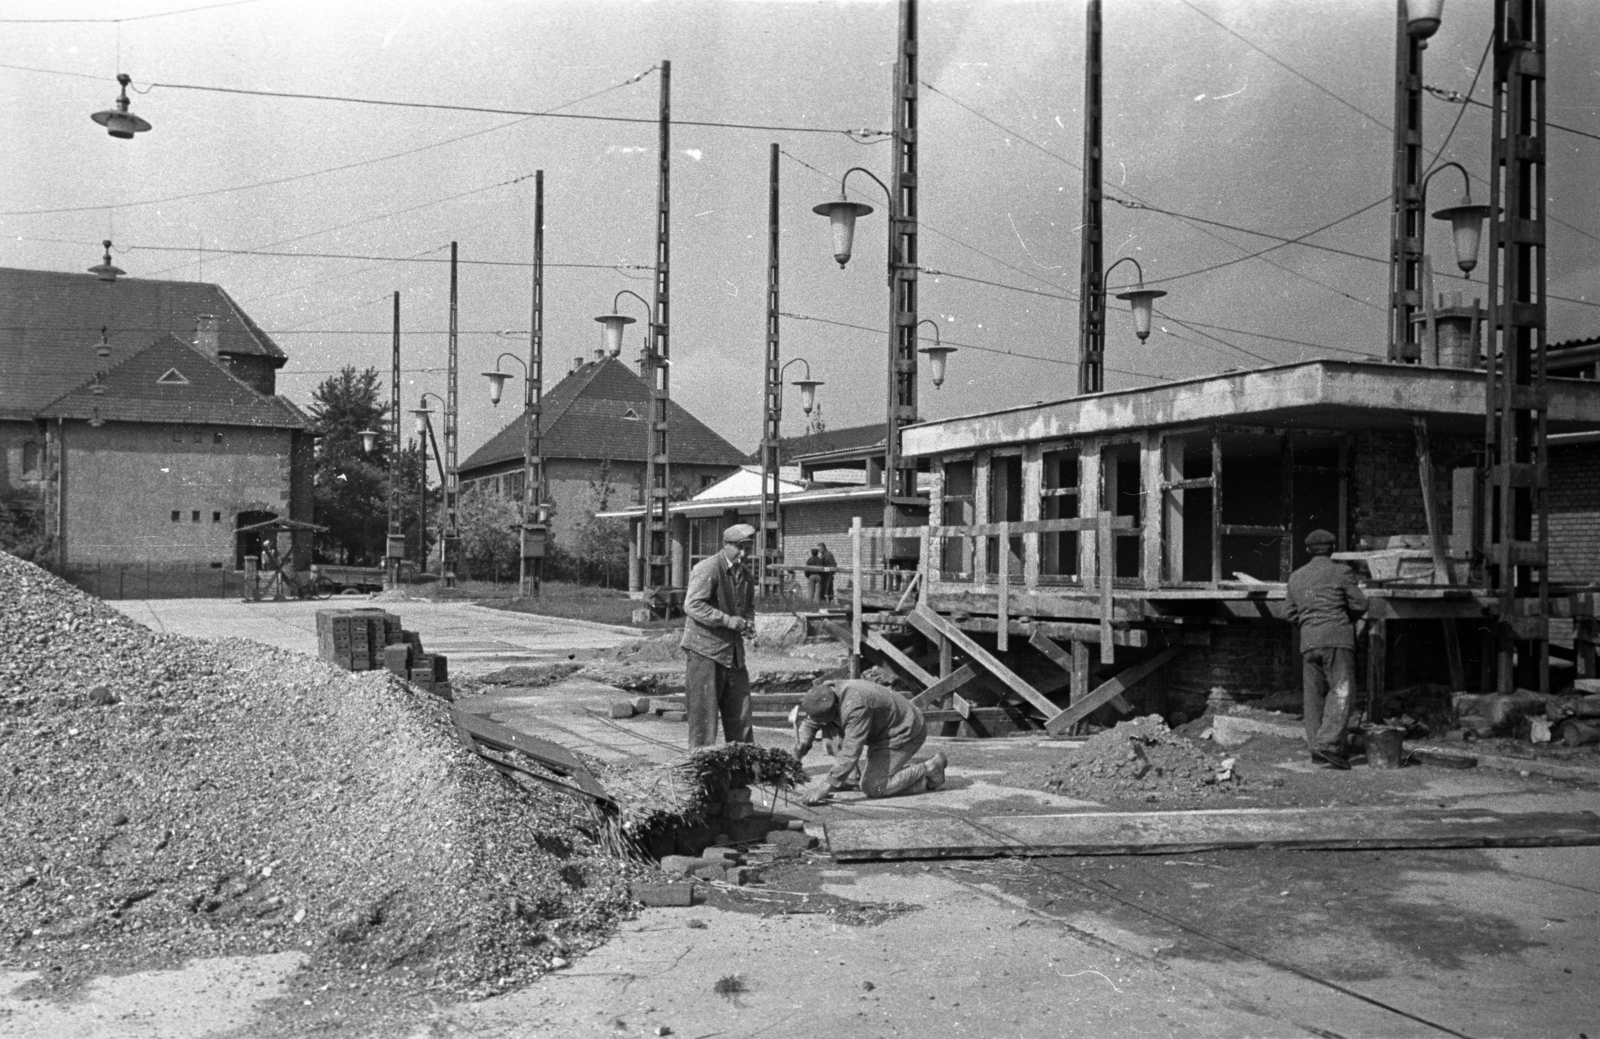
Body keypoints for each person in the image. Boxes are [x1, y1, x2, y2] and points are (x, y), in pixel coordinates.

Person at [1285, 528, 1369, 769]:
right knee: (1341, 691)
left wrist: (1309, 624)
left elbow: (1288, 613)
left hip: (1309, 642)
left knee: (1313, 697)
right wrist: (1347, 619)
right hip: (1337, 639)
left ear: (1308, 550)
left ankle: (1317, 749)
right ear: (1333, 549)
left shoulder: (1297, 576)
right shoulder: (1342, 571)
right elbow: (1361, 604)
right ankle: (1329, 744)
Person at [793, 679, 947, 804]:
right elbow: (811, 722)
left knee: (874, 787)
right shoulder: (826, 693)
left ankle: (929, 768)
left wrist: (824, 787)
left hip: (904, 730)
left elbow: (851, 751)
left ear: (833, 707)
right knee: (830, 730)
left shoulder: (855, 707)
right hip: (881, 726)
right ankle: (851, 778)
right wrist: (804, 742)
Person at [679, 523, 758, 748]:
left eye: (748, 548)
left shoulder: (746, 575)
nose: (744, 554)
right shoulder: (708, 568)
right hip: (705, 652)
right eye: (739, 548)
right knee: (704, 720)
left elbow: (749, 605)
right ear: (726, 545)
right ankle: (703, 773)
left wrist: (749, 622)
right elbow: (693, 605)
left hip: (733, 654)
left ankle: (741, 771)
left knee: (741, 716)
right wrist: (727, 620)